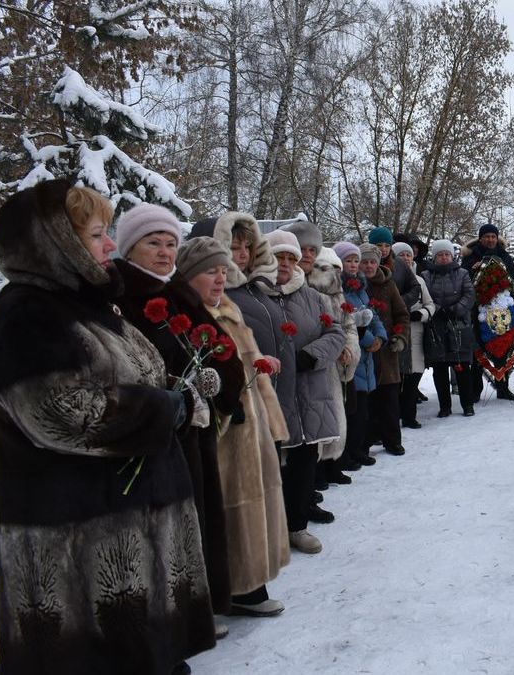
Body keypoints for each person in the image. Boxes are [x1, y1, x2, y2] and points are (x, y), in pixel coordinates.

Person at [0, 180, 215, 673]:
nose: (110, 245)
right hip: (81, 557)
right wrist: (166, 409)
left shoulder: (89, 306)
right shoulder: (28, 316)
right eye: (95, 235)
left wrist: (182, 388)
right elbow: (66, 414)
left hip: (128, 541)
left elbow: (133, 375)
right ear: (54, 244)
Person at [115, 204, 243, 620]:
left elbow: (221, 347)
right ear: (129, 247)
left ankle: (195, 610)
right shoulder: (119, 295)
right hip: (152, 432)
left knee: (196, 522)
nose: (164, 251)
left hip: (193, 427)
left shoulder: (176, 293)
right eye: (153, 242)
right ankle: (170, 619)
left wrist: (217, 382)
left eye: (171, 243)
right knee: (160, 532)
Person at [178, 237, 291, 619]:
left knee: (252, 506)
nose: (220, 278)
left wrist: (261, 366)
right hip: (224, 429)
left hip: (251, 424)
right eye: (211, 271)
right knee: (227, 510)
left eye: (224, 271)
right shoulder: (190, 318)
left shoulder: (227, 309)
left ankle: (250, 584)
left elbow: (246, 363)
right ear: (189, 276)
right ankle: (229, 590)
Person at [263, 230, 347, 541]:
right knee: (275, 465)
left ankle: (298, 525)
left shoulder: (314, 298)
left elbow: (335, 332)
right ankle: (273, 529)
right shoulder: (255, 295)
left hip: (310, 389)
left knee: (305, 459)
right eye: (277, 256)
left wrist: (313, 356)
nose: (284, 263)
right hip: (273, 394)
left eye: (290, 257)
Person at [287, 222, 359, 489]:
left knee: (325, 425)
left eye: (311, 249)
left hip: (328, 366)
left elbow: (345, 324)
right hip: (301, 367)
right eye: (302, 249)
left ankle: (320, 477)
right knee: (303, 434)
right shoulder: (286, 284)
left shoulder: (330, 283)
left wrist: (348, 348)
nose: (307, 255)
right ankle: (309, 488)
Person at [335, 240, 387, 467]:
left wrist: (380, 337)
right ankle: (345, 454)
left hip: (366, 359)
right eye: (349, 260)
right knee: (351, 411)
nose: (354, 265)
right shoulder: (340, 290)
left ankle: (358, 449)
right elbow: (347, 323)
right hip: (352, 357)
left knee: (363, 410)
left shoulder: (360, 289)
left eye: (356, 260)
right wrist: (368, 341)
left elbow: (372, 316)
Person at [462, 222, 514, 400]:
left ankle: (503, 387)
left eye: (493, 236)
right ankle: (475, 390)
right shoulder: (471, 258)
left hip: (504, 308)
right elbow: (465, 280)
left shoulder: (505, 256)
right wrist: (476, 270)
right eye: (486, 236)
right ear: (480, 239)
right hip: (478, 310)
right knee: (479, 348)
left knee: (504, 346)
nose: (490, 239)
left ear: (497, 238)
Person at [362, 243, 411, 453]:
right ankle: (368, 437)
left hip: (387, 350)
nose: (368, 266)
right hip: (364, 350)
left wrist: (400, 336)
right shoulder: (354, 285)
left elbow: (402, 314)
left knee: (389, 397)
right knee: (367, 398)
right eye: (364, 262)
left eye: (372, 261)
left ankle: (392, 440)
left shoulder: (389, 285)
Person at [422, 240, 479, 416]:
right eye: (440, 255)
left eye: (447, 254)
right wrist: (437, 309)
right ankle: (444, 406)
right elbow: (424, 296)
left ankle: (467, 405)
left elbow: (469, 295)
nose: (444, 258)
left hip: (459, 325)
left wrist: (455, 309)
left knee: (462, 368)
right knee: (439, 369)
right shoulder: (426, 275)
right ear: (435, 257)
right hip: (436, 326)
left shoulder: (462, 273)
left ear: (452, 255)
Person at [393, 241, 436, 428]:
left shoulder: (419, 281)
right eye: (401, 255)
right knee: (395, 379)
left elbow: (430, 304)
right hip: (395, 333)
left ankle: (410, 415)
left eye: (408, 255)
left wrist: (422, 314)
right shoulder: (389, 278)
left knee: (413, 377)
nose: (405, 258)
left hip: (417, 332)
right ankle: (393, 417)